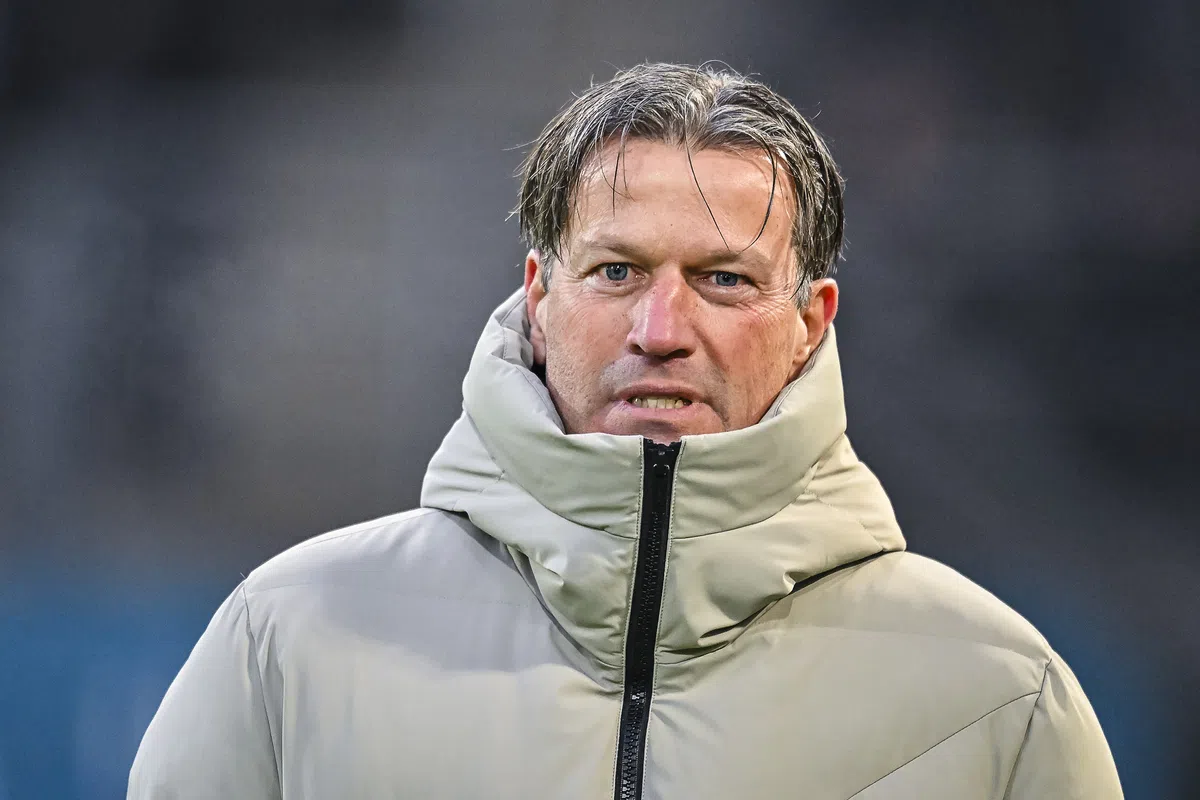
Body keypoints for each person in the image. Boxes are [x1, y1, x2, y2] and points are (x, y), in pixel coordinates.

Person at [128, 62, 1122, 799]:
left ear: (811, 323)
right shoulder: (287, 640)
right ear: (539, 297)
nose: (660, 329)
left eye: (722, 279)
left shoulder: (1002, 696)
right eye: (617, 271)